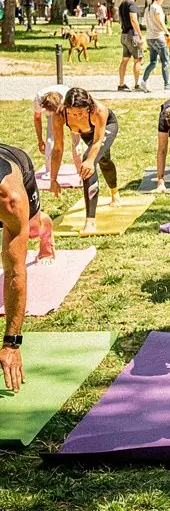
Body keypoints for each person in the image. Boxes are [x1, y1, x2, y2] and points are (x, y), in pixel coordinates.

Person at [0, 145, 55, 391]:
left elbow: (14, 271)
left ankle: (45, 232)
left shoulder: (11, 199)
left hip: (16, 163)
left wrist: (11, 343)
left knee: (31, 229)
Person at [50, 87, 119, 234]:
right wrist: (53, 178)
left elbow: (98, 141)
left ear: (88, 108)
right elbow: (57, 149)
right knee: (104, 160)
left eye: (80, 113)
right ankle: (115, 192)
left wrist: (89, 161)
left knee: (89, 162)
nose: (76, 116)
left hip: (106, 127)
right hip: (87, 134)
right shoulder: (60, 115)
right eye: (72, 113)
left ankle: (90, 221)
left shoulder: (99, 110)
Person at [33, 90, 82, 178]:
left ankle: (80, 171)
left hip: (68, 106)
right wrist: (40, 141)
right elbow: (37, 118)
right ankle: (50, 171)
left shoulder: (69, 98)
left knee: (76, 140)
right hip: (55, 106)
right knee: (51, 139)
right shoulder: (38, 100)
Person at [141, 0, 170, 91]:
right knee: (165, 61)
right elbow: (160, 22)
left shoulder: (148, 8)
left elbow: (144, 22)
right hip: (158, 37)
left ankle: (144, 81)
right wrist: (167, 32)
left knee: (153, 62)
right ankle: (167, 85)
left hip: (150, 37)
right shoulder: (157, 8)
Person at [117, 0, 144, 92]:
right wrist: (140, 35)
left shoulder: (122, 3)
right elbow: (133, 20)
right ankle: (137, 84)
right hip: (132, 34)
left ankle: (121, 84)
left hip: (123, 34)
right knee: (138, 59)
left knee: (125, 60)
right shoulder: (131, 4)